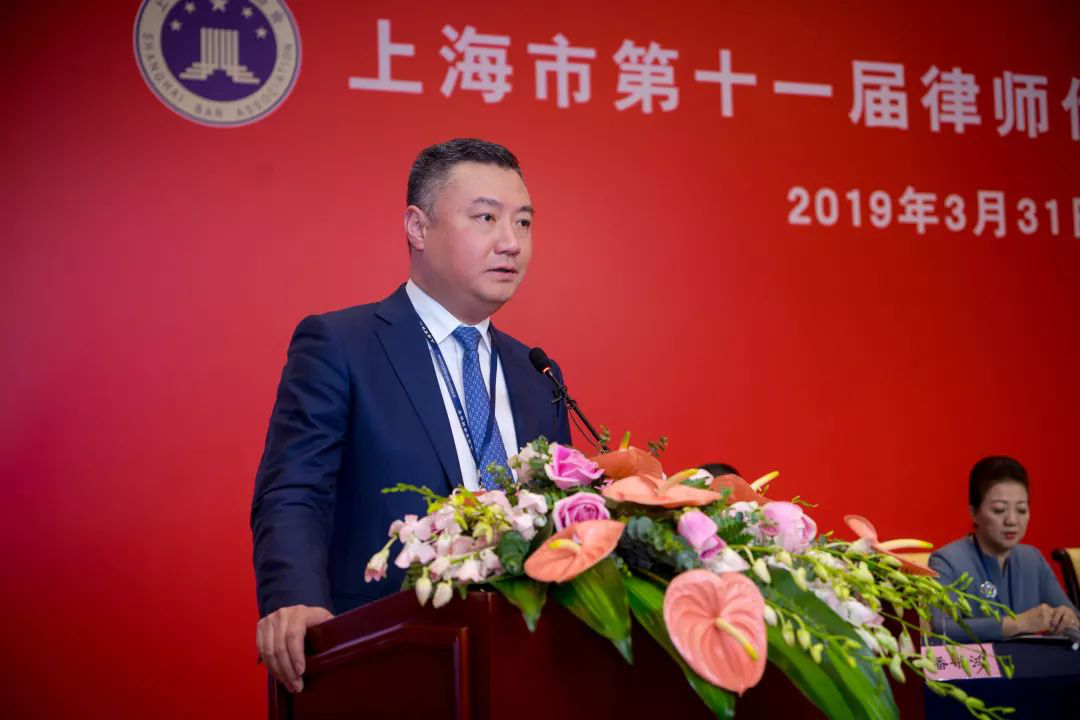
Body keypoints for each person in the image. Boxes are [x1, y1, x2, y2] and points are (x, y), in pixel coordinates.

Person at [250, 138, 571, 692]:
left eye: (523, 222)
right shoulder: (342, 345)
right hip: (383, 659)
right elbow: (295, 490)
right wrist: (295, 598)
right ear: (418, 228)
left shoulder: (536, 373)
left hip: (521, 664)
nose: (510, 242)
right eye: (486, 218)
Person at [929, 455, 1079, 642]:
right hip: (982, 661)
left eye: (1021, 510)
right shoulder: (946, 561)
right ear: (974, 513)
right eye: (999, 510)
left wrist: (1067, 617)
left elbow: (1073, 616)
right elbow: (942, 628)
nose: (1012, 520)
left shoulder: (1032, 558)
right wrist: (1018, 624)